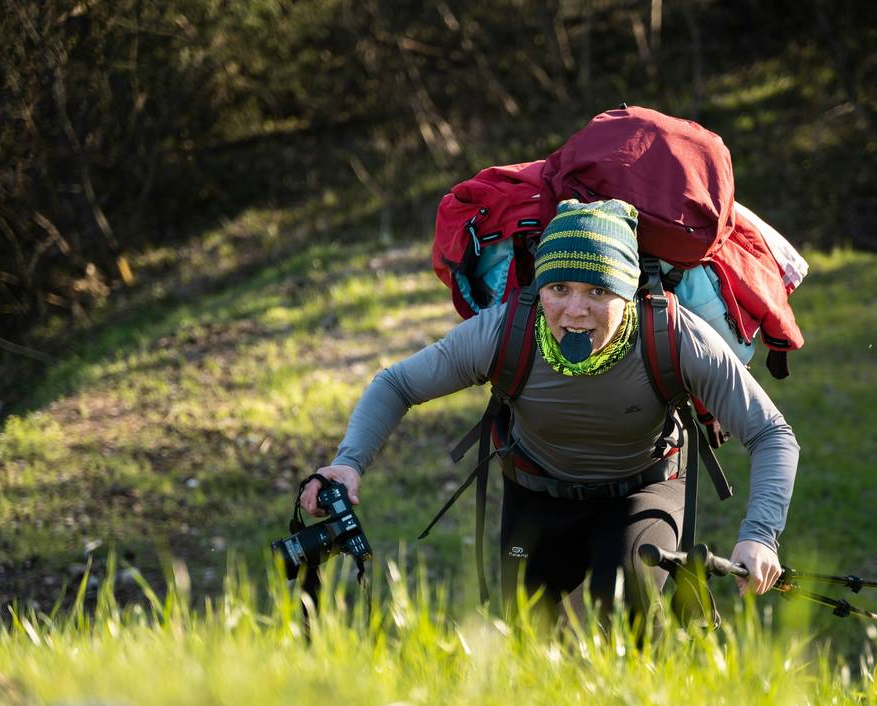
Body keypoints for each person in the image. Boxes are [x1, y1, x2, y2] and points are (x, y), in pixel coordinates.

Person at [302, 199, 798, 622]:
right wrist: (348, 462)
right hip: (537, 491)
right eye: (559, 289)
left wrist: (760, 536)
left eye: (597, 292)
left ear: (627, 293)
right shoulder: (503, 333)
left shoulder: (673, 336)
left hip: (642, 488)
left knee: (623, 608)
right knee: (530, 635)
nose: (574, 310)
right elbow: (397, 384)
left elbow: (771, 434)